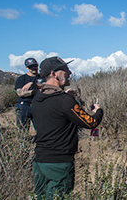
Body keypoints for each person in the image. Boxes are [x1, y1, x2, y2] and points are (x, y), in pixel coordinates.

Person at [32, 56, 103, 199]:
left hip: (40, 162)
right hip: (59, 163)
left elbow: (53, 108)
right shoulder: (65, 101)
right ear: (54, 74)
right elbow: (91, 123)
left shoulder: (37, 99)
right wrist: (98, 111)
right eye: (65, 70)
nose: (69, 72)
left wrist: (65, 96)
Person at [14, 58, 45, 131]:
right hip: (23, 106)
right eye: (31, 67)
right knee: (22, 130)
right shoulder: (22, 79)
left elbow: (46, 86)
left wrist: (32, 84)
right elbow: (20, 93)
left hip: (38, 105)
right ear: (27, 68)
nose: (33, 68)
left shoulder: (42, 78)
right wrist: (33, 92)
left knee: (41, 130)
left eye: (35, 65)